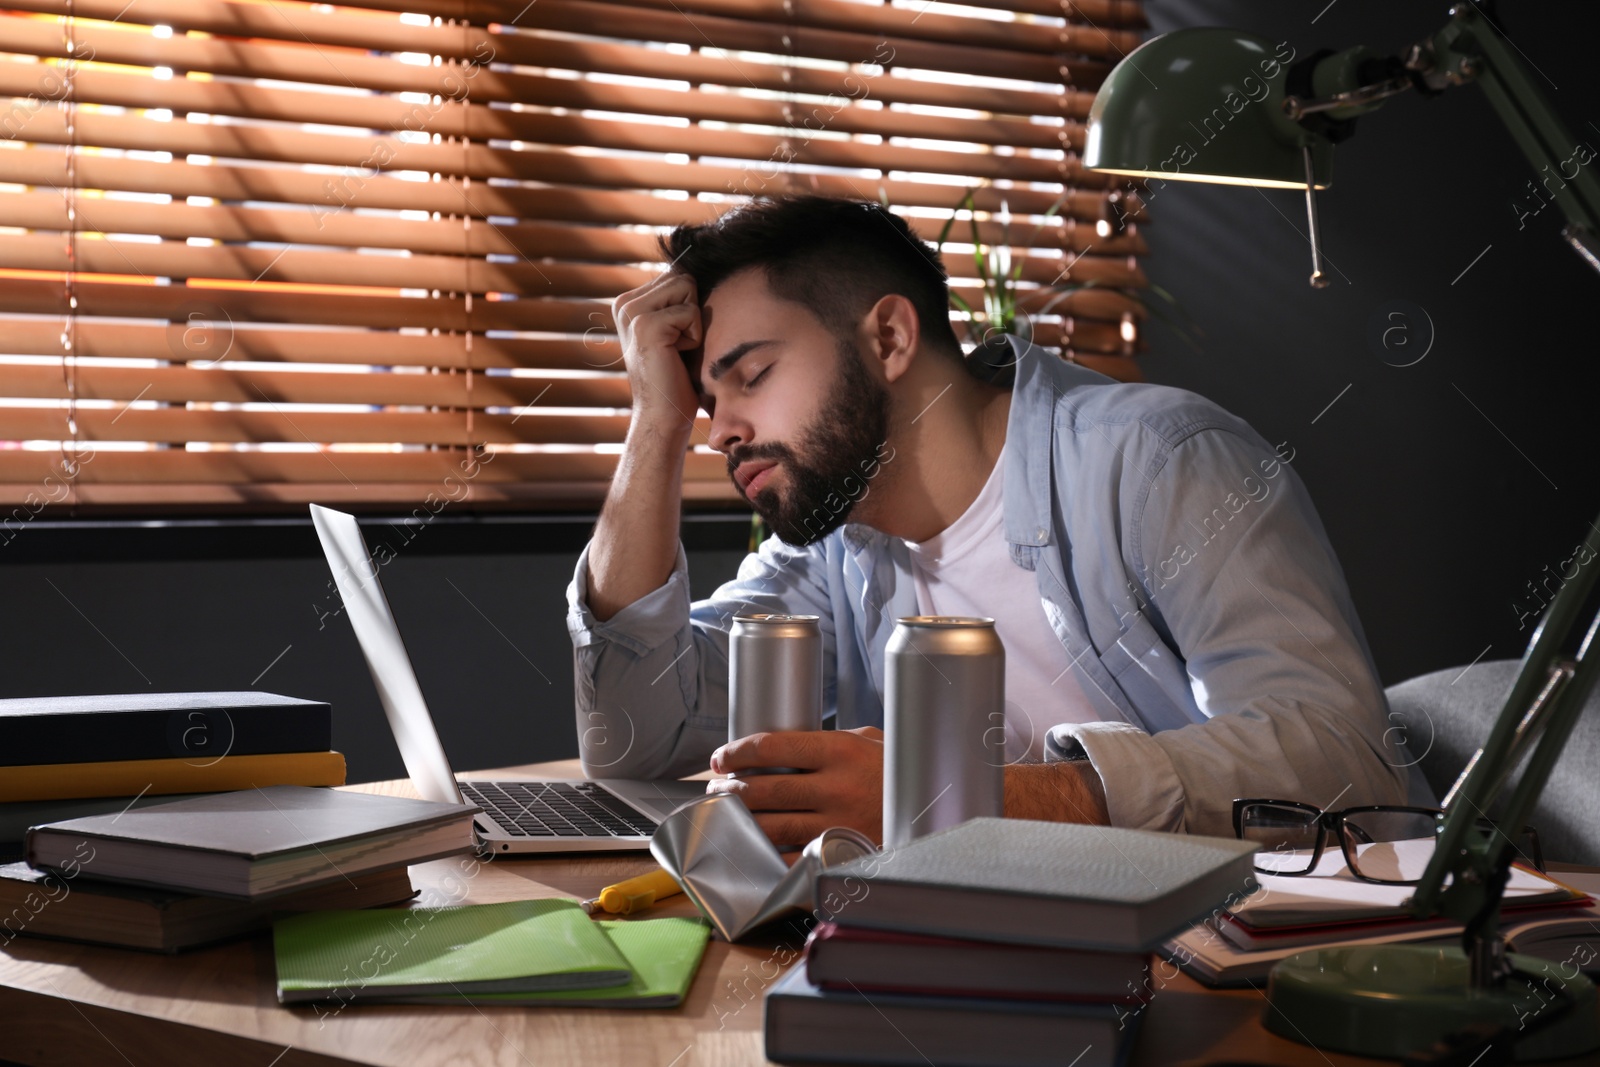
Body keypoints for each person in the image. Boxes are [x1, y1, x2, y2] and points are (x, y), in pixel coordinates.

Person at [565, 195, 1408, 848]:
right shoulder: (838, 544)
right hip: (973, 955)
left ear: (890, 338)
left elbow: (1348, 768)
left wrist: (946, 794)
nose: (720, 428)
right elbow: (638, 733)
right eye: (703, 401)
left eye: (748, 375)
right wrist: (655, 425)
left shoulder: (1161, 460)